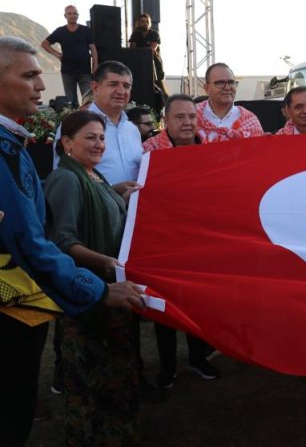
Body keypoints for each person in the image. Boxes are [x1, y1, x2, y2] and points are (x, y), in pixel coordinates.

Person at [0, 36, 143, 447]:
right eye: (28, 75)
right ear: (67, 144)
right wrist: (99, 286)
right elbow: (37, 241)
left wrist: (111, 193)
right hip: (17, 306)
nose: (41, 86)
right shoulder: (11, 154)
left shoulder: (16, 145)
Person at [45, 109, 141, 444]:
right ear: (67, 143)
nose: (99, 143)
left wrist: (116, 194)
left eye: (102, 137)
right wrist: (110, 264)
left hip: (107, 289)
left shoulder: (91, 175)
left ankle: (113, 432)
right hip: (88, 293)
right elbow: (62, 242)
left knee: (113, 373)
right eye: (90, 137)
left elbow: (95, 205)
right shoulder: (67, 178)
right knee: (91, 378)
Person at [140, 95, 221, 386]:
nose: (187, 123)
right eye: (180, 117)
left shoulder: (211, 150)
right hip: (162, 244)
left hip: (200, 243)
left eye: (191, 117)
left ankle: (198, 359)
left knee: (198, 306)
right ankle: (167, 367)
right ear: (166, 120)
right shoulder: (148, 151)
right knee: (164, 309)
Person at [55, 61, 143, 195]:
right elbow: (63, 177)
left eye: (126, 86)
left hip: (132, 211)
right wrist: (111, 191)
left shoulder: (132, 130)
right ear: (95, 87)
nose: (121, 91)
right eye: (113, 84)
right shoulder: (76, 125)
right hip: (94, 211)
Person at [40, 5, 98, 107]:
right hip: (68, 71)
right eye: (70, 13)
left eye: (75, 13)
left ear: (78, 15)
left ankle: (90, 121)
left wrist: (95, 65)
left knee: (89, 99)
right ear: (65, 16)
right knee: (71, 102)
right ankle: (75, 122)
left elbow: (93, 48)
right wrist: (57, 54)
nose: (72, 16)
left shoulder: (85, 30)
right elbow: (44, 43)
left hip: (85, 71)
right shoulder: (60, 31)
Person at [197, 62, 264, 142]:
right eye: (220, 83)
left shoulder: (250, 120)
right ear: (207, 88)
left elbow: (258, 152)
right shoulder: (192, 116)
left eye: (231, 82)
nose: (228, 87)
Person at [128, 13, 169, 111]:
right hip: (139, 65)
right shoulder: (135, 34)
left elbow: (151, 49)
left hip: (153, 65)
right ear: (139, 23)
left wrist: (140, 50)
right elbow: (132, 49)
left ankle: (164, 104)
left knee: (158, 87)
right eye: (142, 22)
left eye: (147, 22)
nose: (145, 24)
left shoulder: (154, 34)